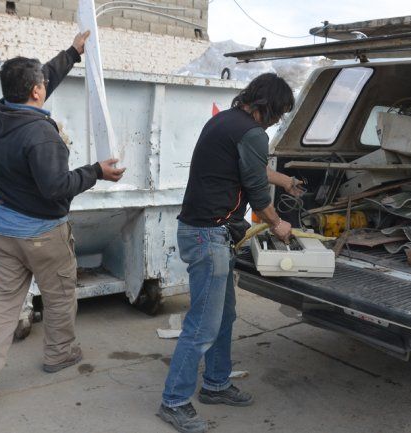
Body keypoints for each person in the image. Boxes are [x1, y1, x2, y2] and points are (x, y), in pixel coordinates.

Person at [0, 31, 126, 401]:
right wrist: (97, 172)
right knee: (59, 295)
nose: (44, 86)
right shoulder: (42, 136)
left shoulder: (1, 112)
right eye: (41, 84)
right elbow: (56, 187)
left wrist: (72, 53)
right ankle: (60, 353)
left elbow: (42, 82)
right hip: (40, 234)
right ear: (36, 92)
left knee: (2, 302)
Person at [158, 73, 301, 433]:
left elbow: (249, 167)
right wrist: (278, 224)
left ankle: (216, 384)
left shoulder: (224, 121)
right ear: (267, 106)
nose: (278, 120)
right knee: (202, 326)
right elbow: (256, 192)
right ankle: (174, 401)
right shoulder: (254, 133)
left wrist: (284, 180)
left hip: (202, 231)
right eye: (280, 112)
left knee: (223, 316)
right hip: (209, 236)